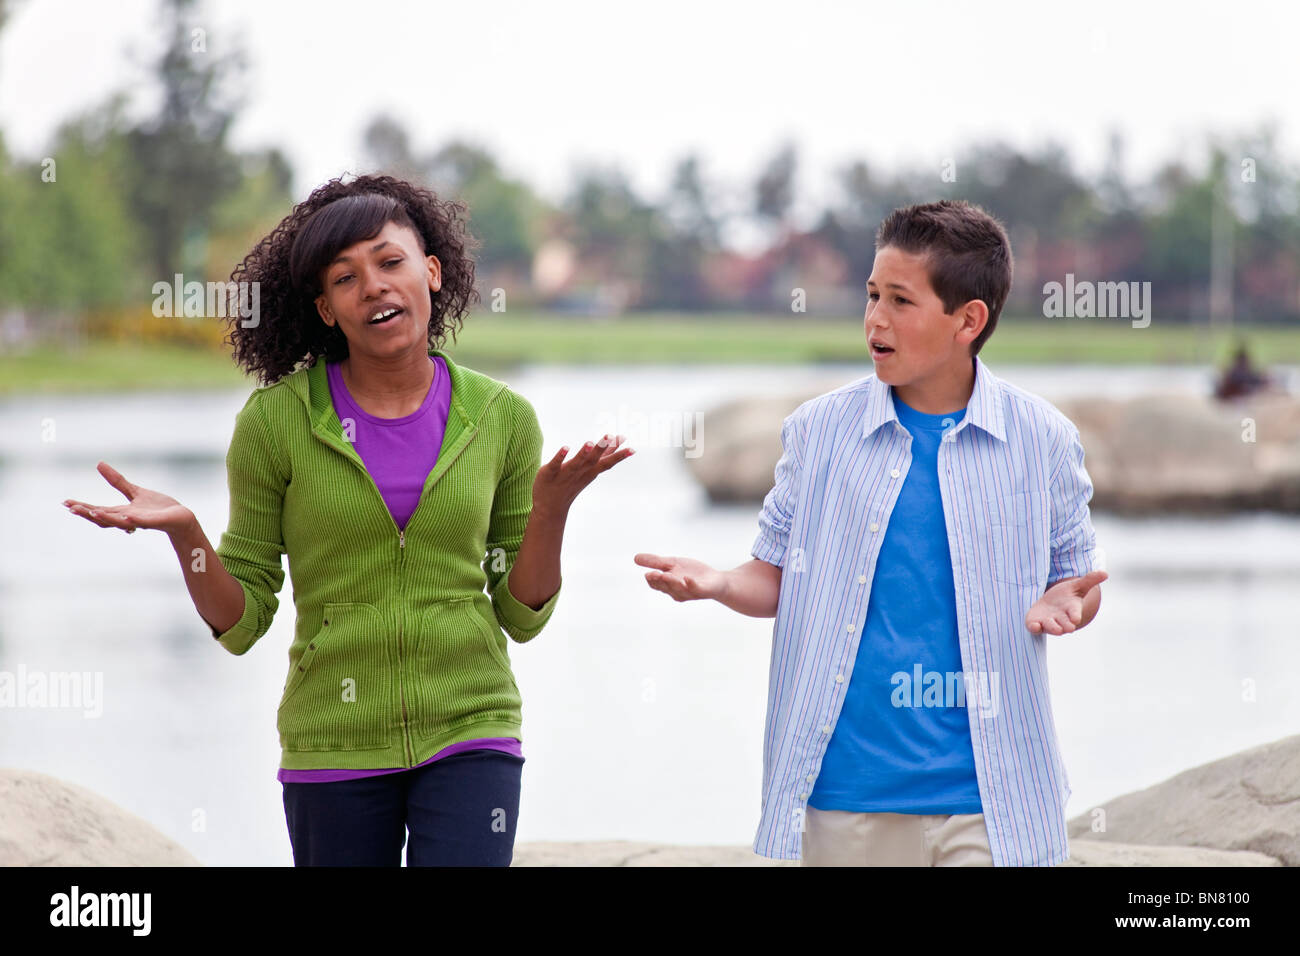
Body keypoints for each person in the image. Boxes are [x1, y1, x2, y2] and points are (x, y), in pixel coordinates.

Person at [62, 173, 633, 866]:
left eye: (390, 263)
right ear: (327, 310)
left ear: (431, 271)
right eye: (345, 278)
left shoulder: (502, 418)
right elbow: (240, 624)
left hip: (472, 729)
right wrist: (188, 536)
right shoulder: (277, 424)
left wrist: (551, 511)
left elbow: (523, 612)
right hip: (333, 742)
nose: (374, 286)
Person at [636, 200, 1107, 867]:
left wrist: (1069, 602)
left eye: (901, 301)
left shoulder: (1044, 440)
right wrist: (715, 583)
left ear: (968, 320)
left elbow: (1078, 581)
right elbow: (773, 573)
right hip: (848, 796)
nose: (875, 320)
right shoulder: (818, 432)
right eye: (871, 295)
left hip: (993, 797)